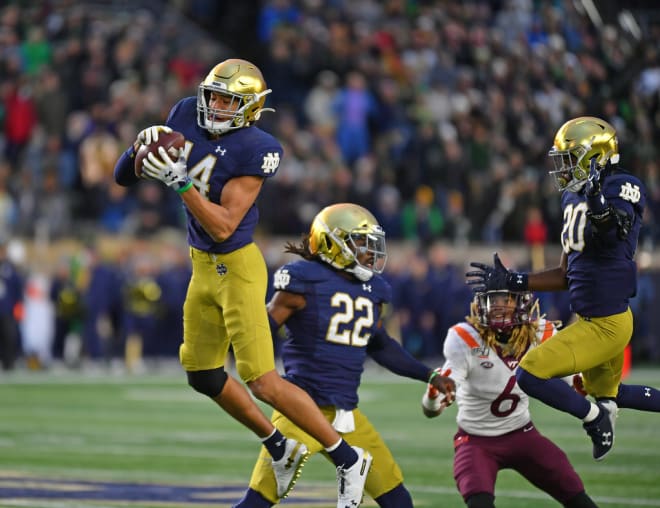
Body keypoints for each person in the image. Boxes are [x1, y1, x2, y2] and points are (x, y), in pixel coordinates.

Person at [113, 58, 373, 505]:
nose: (215, 106)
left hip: (237, 268)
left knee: (263, 380)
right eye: (212, 95)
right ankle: (278, 445)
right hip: (201, 267)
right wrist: (142, 147)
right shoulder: (181, 115)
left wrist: (178, 181)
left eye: (228, 100)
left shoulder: (258, 148)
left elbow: (223, 227)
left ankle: (348, 458)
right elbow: (122, 177)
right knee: (202, 374)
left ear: (250, 107)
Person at [233, 203, 456, 508]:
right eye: (361, 242)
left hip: (347, 414)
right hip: (300, 410)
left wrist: (429, 374)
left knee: (398, 500)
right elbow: (263, 329)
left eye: (371, 243)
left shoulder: (373, 288)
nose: (369, 251)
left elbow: (379, 344)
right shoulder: (304, 280)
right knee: (256, 502)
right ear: (332, 242)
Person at [465, 116, 647, 461]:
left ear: (594, 156)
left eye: (569, 158)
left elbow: (613, 233)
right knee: (611, 394)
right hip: (592, 318)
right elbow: (566, 274)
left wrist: (596, 200)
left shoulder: (623, 184)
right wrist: (515, 282)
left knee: (530, 373)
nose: (562, 168)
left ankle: (595, 420)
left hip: (607, 322)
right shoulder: (572, 196)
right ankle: (601, 410)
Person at [422, 289, 599, 508]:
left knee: (574, 491)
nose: (499, 306)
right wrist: (433, 398)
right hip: (476, 440)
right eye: (492, 300)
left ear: (521, 303)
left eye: (506, 299)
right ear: (480, 305)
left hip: (522, 433)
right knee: (479, 501)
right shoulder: (466, 338)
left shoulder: (541, 333)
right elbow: (431, 409)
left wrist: (582, 382)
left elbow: (575, 377)